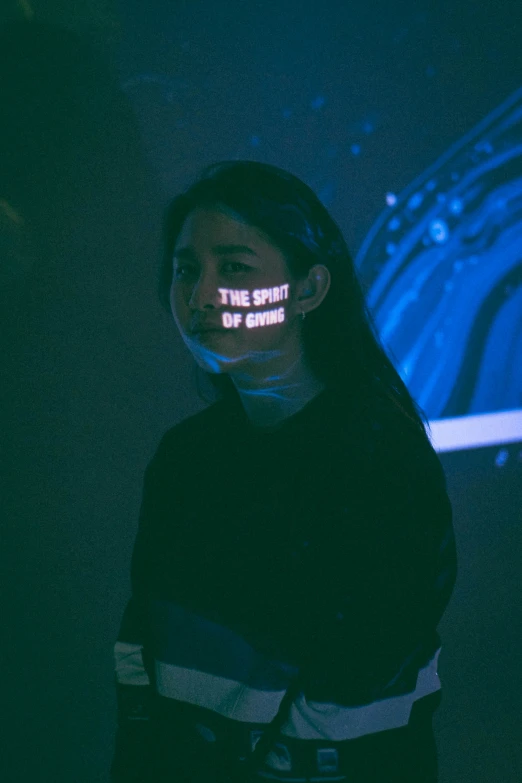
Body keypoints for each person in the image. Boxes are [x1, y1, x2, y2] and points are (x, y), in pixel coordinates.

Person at [110, 161, 458, 782]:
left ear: (309, 290)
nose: (201, 294)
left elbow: (361, 670)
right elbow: (143, 652)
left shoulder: (383, 462)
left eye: (235, 267)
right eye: (187, 269)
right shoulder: (184, 457)